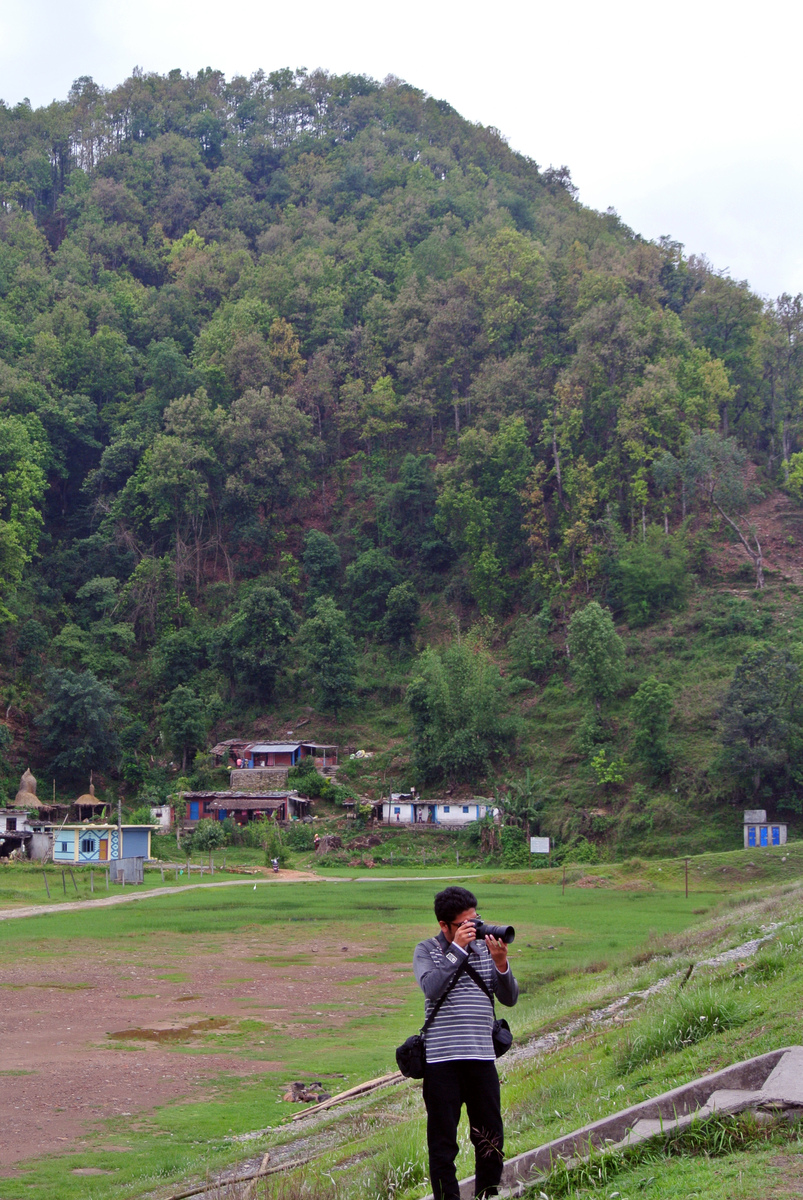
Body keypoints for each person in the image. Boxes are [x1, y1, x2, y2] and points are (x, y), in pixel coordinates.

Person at [413, 886, 518, 1200]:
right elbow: (431, 987)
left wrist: (501, 964)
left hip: (482, 1058)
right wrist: (457, 949)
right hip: (441, 1063)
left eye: (476, 920)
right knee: (443, 1145)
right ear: (444, 925)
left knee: (489, 1137)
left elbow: (509, 998)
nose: (473, 928)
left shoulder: (486, 949)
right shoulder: (427, 949)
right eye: (464, 924)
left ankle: (488, 1194)